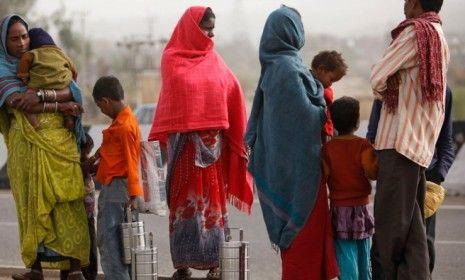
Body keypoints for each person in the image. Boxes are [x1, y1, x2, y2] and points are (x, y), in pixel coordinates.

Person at [148, 6, 253, 280]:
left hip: (213, 150)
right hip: (184, 149)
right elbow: (178, 95)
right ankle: (182, 264)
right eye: (207, 28)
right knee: (185, 205)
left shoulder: (215, 61)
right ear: (193, 29)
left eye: (213, 28)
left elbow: (233, 90)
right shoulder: (172, 59)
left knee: (213, 205)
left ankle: (215, 263)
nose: (211, 33)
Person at [245, 6, 339, 280]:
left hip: (297, 168)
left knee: (308, 243)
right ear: (290, 31)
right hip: (301, 174)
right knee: (303, 241)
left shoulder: (281, 65)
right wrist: (326, 107)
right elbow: (303, 118)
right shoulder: (286, 68)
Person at [0, 14, 89, 280]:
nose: (22, 43)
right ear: (4, 42)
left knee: (69, 201)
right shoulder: (3, 69)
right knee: (31, 204)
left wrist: (42, 94)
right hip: (26, 145)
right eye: (14, 38)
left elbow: (74, 90)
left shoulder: (45, 59)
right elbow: (18, 102)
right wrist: (62, 105)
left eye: (25, 36)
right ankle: (36, 268)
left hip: (60, 143)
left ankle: (74, 268)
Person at [369, 0, 449, 278]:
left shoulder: (414, 33)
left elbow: (378, 76)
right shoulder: (438, 36)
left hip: (398, 143)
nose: (404, 5)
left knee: (390, 231)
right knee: (414, 231)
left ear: (415, 3)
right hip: (419, 147)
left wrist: (391, 85)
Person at [367, 86, 455, 276]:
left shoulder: (442, 90)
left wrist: (438, 176)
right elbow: (373, 134)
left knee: (423, 245)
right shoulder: (388, 86)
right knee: (386, 247)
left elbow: (446, 141)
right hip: (393, 174)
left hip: (426, 176)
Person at [91, 75, 143, 280]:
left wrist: (134, 193)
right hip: (119, 187)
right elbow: (116, 157)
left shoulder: (124, 127)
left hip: (117, 190)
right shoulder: (123, 121)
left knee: (109, 242)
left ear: (105, 101)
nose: (101, 111)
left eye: (99, 106)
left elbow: (131, 161)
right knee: (123, 246)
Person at [322, 96, 377, 280]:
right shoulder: (363, 146)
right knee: (364, 259)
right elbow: (372, 173)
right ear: (356, 121)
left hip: (339, 211)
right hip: (362, 210)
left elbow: (324, 177)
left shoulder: (328, 149)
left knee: (346, 260)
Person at [16, 27, 77, 131]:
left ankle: (34, 124)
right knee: (71, 101)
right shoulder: (61, 53)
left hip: (39, 85)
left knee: (27, 103)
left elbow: (24, 63)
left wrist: (24, 76)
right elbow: (74, 70)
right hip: (60, 85)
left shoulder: (32, 53)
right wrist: (73, 81)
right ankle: (69, 119)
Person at [60, 132, 98, 280]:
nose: (87, 155)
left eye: (89, 151)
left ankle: (89, 275)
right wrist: (95, 157)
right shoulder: (73, 163)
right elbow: (82, 169)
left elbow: (92, 169)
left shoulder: (85, 162)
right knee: (79, 250)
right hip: (78, 215)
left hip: (88, 216)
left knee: (91, 249)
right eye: (85, 151)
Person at [310, 50, 347, 142]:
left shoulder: (319, 86)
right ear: (321, 69)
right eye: (331, 79)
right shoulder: (323, 91)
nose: (331, 84)